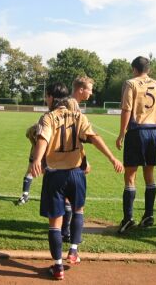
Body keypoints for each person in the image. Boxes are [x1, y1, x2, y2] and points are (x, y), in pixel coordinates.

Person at [31, 83, 123, 280]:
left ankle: (57, 268)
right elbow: (94, 138)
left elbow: (42, 139)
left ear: (52, 98)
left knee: (55, 223)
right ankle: (73, 250)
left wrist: (37, 160)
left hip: (55, 175)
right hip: (76, 174)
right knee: (78, 210)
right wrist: (112, 158)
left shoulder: (48, 117)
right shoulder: (79, 116)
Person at [15, 77, 94, 242]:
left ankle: (64, 231)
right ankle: (66, 232)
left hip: (58, 158)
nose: (91, 92)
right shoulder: (71, 105)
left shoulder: (66, 106)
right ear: (81, 89)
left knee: (64, 197)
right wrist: (84, 160)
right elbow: (75, 138)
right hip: (63, 159)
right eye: (90, 89)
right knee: (67, 198)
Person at [115, 56, 156, 234]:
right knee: (149, 175)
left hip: (136, 132)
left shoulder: (131, 84)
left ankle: (128, 218)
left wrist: (122, 133)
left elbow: (126, 109)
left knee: (130, 176)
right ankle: (148, 215)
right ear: (149, 69)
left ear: (133, 69)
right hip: (153, 132)